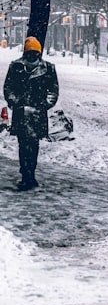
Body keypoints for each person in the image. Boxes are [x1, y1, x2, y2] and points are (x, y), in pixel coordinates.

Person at [3, 37, 59, 191]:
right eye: (30, 52)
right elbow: (8, 87)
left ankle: (30, 173)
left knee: (34, 145)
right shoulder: (16, 67)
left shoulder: (48, 68)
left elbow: (53, 91)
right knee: (23, 145)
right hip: (21, 113)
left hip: (37, 114)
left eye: (35, 53)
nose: (32, 56)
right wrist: (14, 101)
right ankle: (25, 173)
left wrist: (44, 105)